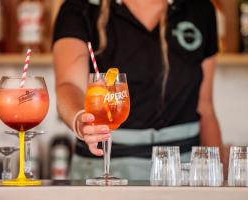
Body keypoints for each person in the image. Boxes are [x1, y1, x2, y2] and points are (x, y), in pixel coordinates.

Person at [52, 0, 225, 180]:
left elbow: (206, 108)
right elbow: (69, 85)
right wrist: (81, 120)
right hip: (104, 169)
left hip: (183, 171)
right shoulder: (80, 8)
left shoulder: (200, 9)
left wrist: (220, 177)